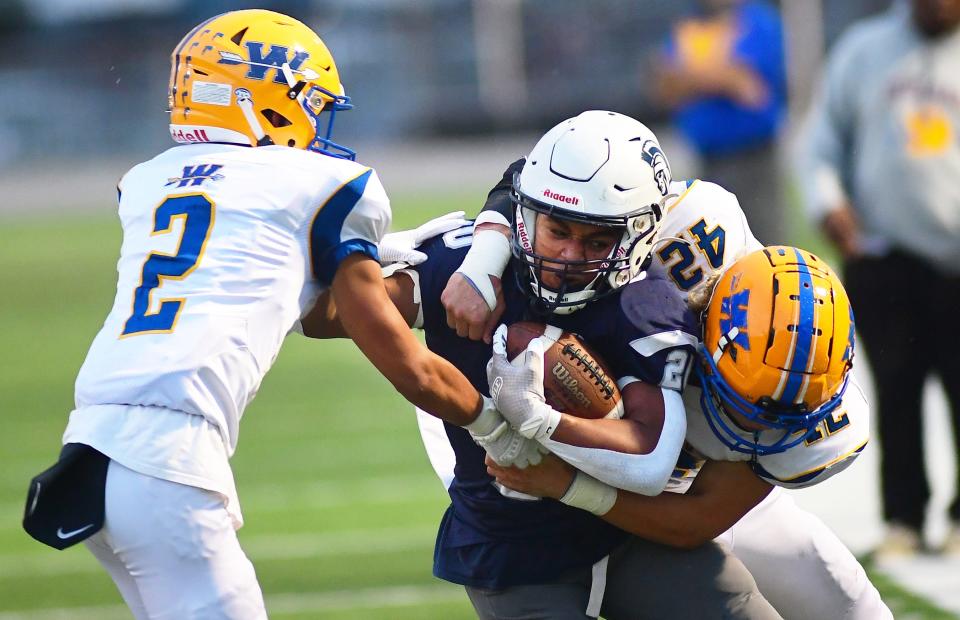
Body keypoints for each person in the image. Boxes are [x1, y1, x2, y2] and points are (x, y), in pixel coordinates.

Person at [20, 10, 515, 620]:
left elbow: (288, 297)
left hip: (92, 445)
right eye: (306, 101)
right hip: (169, 459)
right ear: (260, 94)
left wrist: (358, 256)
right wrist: (490, 422)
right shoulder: (317, 182)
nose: (313, 121)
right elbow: (404, 361)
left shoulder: (147, 181)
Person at [305, 110, 782, 619]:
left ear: (639, 237)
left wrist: (544, 422)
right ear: (526, 214)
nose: (570, 255)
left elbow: (651, 456)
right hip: (512, 550)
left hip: (630, 534)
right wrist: (352, 261)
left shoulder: (644, 306)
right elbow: (324, 316)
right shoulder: (467, 265)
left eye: (597, 241)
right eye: (558, 230)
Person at [435, 147, 891, 617]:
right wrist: (484, 258)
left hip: (679, 487)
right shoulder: (678, 240)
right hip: (536, 420)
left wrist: (568, 484)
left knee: (852, 607)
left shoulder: (822, 420)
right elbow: (543, 179)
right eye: (738, 399)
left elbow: (693, 521)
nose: (750, 422)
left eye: (775, 414)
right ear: (705, 331)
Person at [800, 0, 960, 557]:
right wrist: (828, 201)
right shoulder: (865, 51)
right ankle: (905, 517)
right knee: (895, 386)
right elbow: (818, 144)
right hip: (884, 255)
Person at [652, 0, 787, 245]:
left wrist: (691, 74)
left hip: (753, 156)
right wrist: (720, 72)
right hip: (710, 159)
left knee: (764, 243)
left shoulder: (756, 21)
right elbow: (665, 88)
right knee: (717, 247)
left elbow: (748, 88)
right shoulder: (689, 26)